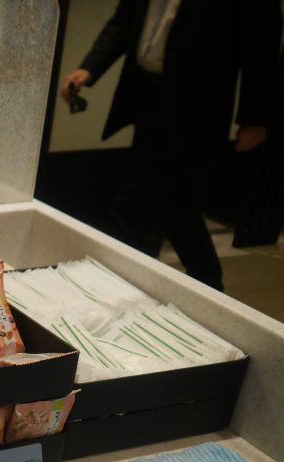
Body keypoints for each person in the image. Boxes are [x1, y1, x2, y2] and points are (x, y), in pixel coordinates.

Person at [60, 0, 282, 291]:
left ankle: (108, 281)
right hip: (147, 94)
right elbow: (124, 21)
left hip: (198, 106)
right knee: (174, 204)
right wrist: (89, 69)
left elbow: (262, 48)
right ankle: (204, 282)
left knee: (140, 201)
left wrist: (255, 119)